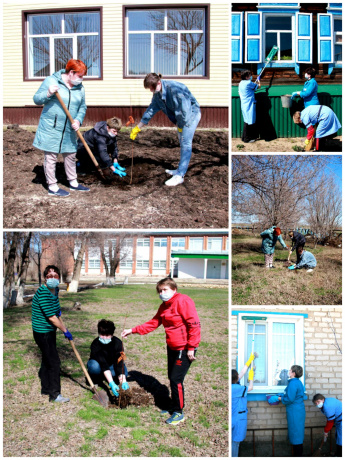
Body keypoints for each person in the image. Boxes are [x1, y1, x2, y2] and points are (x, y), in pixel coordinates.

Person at [121, 277, 201, 425]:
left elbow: (194, 324)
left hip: (184, 348)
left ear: (174, 289)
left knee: (176, 379)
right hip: (172, 347)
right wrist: (132, 330)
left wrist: (191, 347)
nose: (162, 293)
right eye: (160, 290)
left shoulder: (184, 301)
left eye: (165, 289)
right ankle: (172, 405)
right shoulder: (164, 306)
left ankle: (178, 412)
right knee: (172, 377)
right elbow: (153, 323)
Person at [129, 73, 201, 187]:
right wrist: (138, 127)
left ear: (158, 83)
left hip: (191, 115)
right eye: (149, 89)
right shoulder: (157, 94)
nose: (151, 91)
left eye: (152, 88)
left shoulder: (176, 89)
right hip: (180, 118)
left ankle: (180, 176)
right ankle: (179, 170)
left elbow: (185, 110)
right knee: (182, 143)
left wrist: (181, 126)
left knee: (186, 143)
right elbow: (151, 110)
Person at [33, 59, 90, 197]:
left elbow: (82, 107)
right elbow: (36, 99)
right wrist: (48, 93)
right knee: (51, 156)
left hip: (70, 128)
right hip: (52, 126)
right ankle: (52, 186)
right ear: (71, 73)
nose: (81, 79)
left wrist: (78, 119)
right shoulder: (51, 81)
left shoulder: (80, 88)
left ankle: (73, 182)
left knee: (70, 155)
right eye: (80, 76)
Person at [32, 265, 73, 402]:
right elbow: (51, 317)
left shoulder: (55, 289)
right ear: (45, 278)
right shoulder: (43, 292)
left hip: (50, 331)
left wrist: (58, 310)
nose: (53, 278)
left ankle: (46, 388)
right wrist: (65, 330)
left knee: (47, 359)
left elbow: (55, 306)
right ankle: (54, 395)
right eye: (50, 276)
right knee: (54, 362)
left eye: (56, 276)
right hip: (42, 332)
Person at [87, 319, 129, 397]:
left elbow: (119, 362)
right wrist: (111, 384)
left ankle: (108, 376)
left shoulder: (118, 343)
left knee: (124, 374)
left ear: (112, 335)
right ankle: (95, 379)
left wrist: (123, 381)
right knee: (94, 367)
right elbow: (103, 364)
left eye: (107, 335)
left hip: (111, 364)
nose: (105, 338)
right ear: (99, 333)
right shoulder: (95, 345)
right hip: (98, 364)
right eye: (102, 335)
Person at [277, 365, 306, 457]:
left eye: (290, 370)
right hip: (298, 410)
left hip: (294, 412)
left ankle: (298, 456)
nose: (288, 372)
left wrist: (278, 398)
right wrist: (283, 395)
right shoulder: (297, 382)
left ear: (293, 373)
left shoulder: (293, 383)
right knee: (298, 433)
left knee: (295, 434)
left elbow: (290, 399)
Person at [232, 353, 255, 457]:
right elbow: (250, 388)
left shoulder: (233, 384)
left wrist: (250, 360)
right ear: (236, 378)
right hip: (237, 418)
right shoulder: (236, 388)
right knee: (235, 443)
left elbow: (242, 371)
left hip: (234, 416)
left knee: (234, 441)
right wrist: (251, 376)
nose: (239, 375)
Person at [238, 70, 261, 143]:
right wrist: (259, 80)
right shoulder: (248, 83)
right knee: (250, 122)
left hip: (244, 104)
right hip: (249, 104)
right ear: (246, 77)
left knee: (246, 121)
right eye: (249, 75)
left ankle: (244, 138)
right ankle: (247, 139)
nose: (251, 76)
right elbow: (258, 87)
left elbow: (250, 88)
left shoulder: (241, 83)